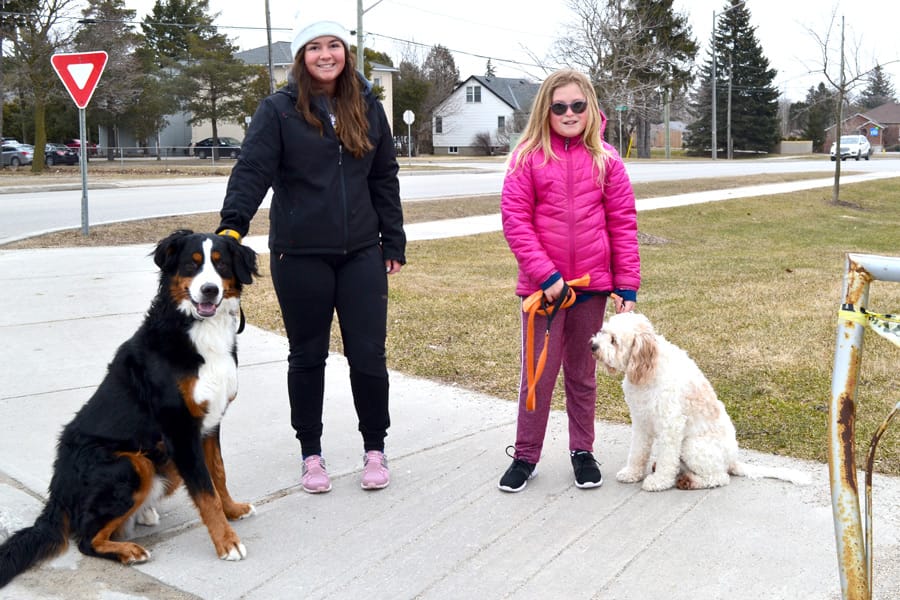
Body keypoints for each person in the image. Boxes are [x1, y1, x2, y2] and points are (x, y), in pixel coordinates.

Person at [216, 9, 405, 494]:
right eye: (315, 47)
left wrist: (393, 239)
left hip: (361, 251)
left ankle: (375, 448)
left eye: (333, 45)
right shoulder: (278, 110)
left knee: (368, 355)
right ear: (302, 57)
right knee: (307, 356)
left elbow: (384, 175)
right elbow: (252, 170)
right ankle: (311, 454)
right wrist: (232, 227)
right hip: (299, 255)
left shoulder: (368, 104)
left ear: (346, 52)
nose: (326, 55)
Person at [498, 69, 640, 493]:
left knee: (582, 375)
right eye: (559, 106)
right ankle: (526, 455)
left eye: (578, 105)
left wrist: (626, 284)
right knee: (538, 376)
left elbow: (622, 223)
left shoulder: (607, 160)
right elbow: (516, 223)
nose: (569, 113)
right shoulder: (527, 158)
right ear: (546, 110)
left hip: (591, 287)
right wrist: (548, 276)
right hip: (543, 291)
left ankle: (583, 451)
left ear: (590, 108)